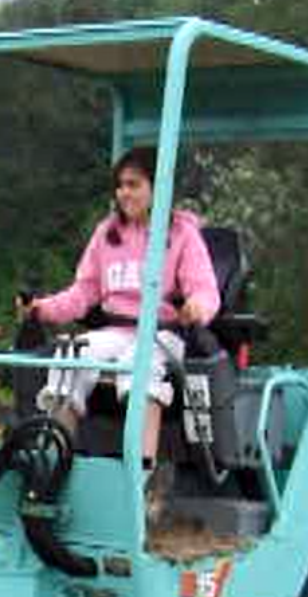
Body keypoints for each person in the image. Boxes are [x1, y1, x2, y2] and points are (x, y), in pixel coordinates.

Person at [19, 145, 220, 478]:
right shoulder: (106, 235)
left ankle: (138, 480)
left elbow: (204, 290)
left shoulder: (182, 235)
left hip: (163, 332)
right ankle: (55, 469)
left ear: (158, 187)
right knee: (70, 358)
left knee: (136, 363)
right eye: (121, 185)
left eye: (134, 184)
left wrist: (198, 306)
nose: (124, 193)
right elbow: (83, 291)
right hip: (115, 331)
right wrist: (42, 309)